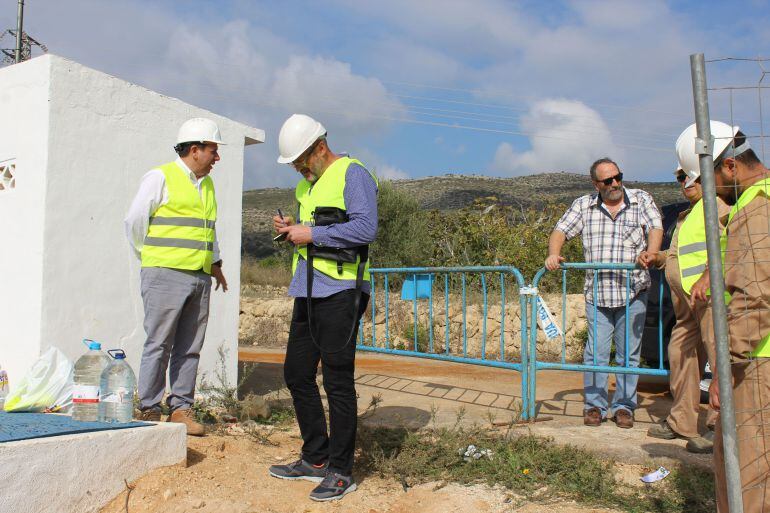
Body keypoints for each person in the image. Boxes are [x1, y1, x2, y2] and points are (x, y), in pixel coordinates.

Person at [268, 114, 378, 502]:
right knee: (296, 373)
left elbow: (366, 228)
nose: (298, 168)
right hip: (308, 290)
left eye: (301, 159)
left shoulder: (353, 173)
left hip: (341, 291)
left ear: (319, 147)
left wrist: (311, 233)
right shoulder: (306, 186)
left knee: (337, 381)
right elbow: (313, 232)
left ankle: (340, 470)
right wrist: (293, 230)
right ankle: (315, 457)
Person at [678, 121, 770, 513]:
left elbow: (756, 297)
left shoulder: (754, 208)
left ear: (729, 167)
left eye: (712, 181)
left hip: (758, 360)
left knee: (746, 471)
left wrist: (725, 369)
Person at [124, 118, 228, 436]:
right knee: (159, 343)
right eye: (213, 150)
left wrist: (215, 264)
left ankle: (181, 409)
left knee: (190, 346)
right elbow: (135, 221)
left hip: (198, 276)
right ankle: (150, 408)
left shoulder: (207, 185)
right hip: (164, 273)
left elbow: (208, 229)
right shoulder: (161, 177)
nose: (217, 157)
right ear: (195, 150)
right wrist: (151, 257)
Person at [545, 158, 663, 428]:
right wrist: (553, 254)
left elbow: (655, 227)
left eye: (618, 177)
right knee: (595, 354)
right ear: (595, 183)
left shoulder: (641, 199)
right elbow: (560, 230)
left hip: (633, 292)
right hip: (597, 295)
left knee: (628, 355)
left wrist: (652, 253)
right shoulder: (583, 205)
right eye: (608, 181)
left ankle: (624, 407)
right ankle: (594, 407)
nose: (615, 184)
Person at [645, 165, 729, 453]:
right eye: (680, 178)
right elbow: (684, 253)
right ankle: (682, 421)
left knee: (720, 362)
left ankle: (719, 427)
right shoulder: (692, 212)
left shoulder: (717, 206)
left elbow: (725, 246)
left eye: (689, 176)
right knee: (679, 354)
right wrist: (657, 257)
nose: (685, 182)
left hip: (710, 299)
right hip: (687, 305)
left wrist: (709, 275)